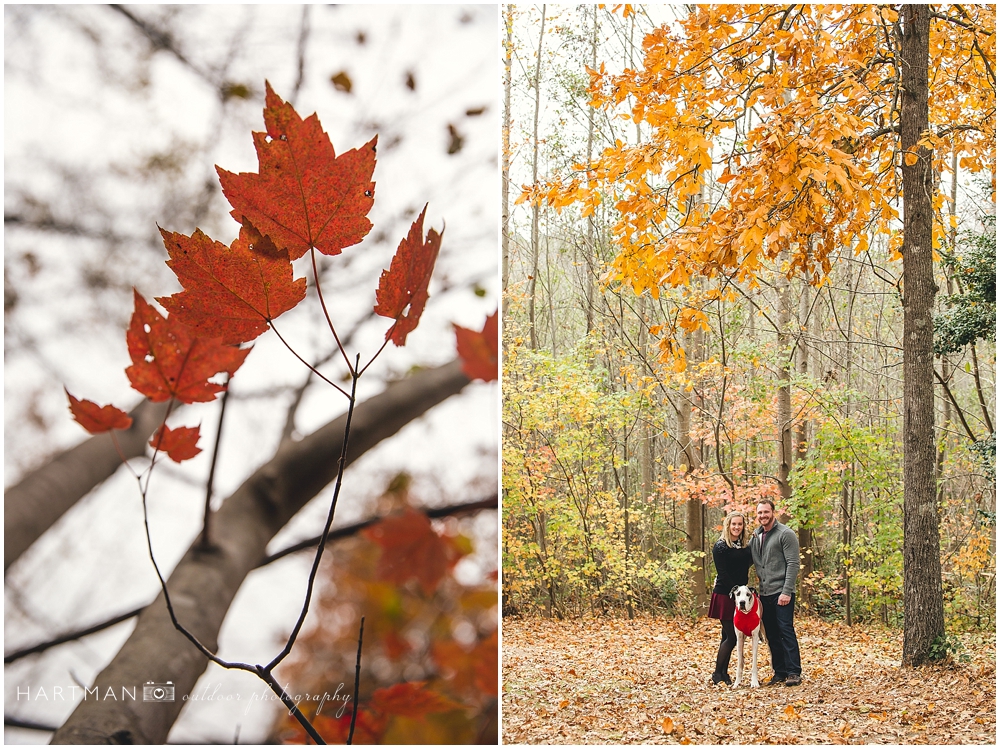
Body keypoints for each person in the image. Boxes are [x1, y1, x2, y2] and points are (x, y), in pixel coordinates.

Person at [751, 498, 802, 686]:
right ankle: (779, 671)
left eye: (766, 512)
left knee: (785, 630)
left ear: (773, 512)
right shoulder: (756, 536)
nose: (763, 515)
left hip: (782, 591)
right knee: (771, 633)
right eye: (760, 513)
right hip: (764, 594)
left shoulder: (785, 534)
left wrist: (787, 591)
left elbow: (793, 563)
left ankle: (793, 672)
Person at [708, 511, 753, 685]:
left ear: (743, 526)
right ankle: (717, 674)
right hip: (725, 594)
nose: (736, 527)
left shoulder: (744, 546)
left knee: (725, 636)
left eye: (739, 524)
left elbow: (745, 564)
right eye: (733, 524)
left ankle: (722, 673)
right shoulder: (721, 546)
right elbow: (723, 573)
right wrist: (737, 592)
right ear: (728, 525)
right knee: (732, 637)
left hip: (740, 596)